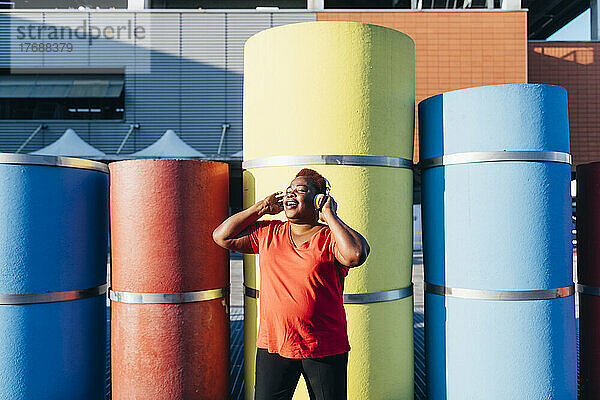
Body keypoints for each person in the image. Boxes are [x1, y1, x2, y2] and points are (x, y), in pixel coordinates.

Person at [213, 168, 370, 400]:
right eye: (289, 190)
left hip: (323, 345)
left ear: (318, 199)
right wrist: (260, 209)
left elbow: (355, 254)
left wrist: (330, 214)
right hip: (274, 343)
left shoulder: (329, 237)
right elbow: (221, 236)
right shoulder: (268, 232)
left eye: (300, 190)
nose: (290, 195)